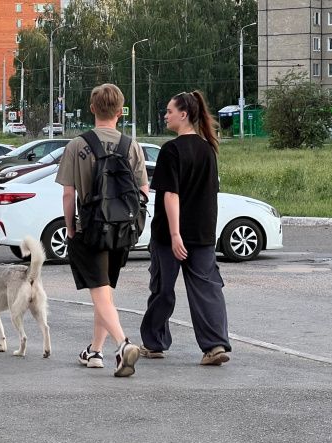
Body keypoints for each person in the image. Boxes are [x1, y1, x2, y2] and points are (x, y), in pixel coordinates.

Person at [55, 83, 149, 377]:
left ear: (92, 108)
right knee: (104, 293)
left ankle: (123, 345)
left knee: (99, 293)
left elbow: (68, 194)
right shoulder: (130, 145)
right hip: (121, 231)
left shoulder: (77, 145)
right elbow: (143, 191)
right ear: (121, 112)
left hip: (90, 230)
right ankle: (95, 352)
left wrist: (70, 229)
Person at [139, 91, 231, 366]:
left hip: (170, 237)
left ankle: (154, 344)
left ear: (184, 114)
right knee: (207, 289)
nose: (165, 116)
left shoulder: (171, 150)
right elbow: (210, 195)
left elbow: (170, 195)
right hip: (202, 234)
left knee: (163, 289)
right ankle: (214, 346)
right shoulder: (208, 149)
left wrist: (176, 234)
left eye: (169, 111)